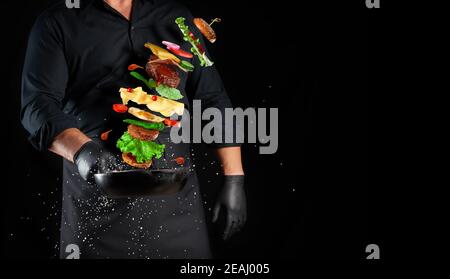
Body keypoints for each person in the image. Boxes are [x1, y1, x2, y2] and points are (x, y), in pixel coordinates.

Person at [21, 0, 246, 259]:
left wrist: (234, 178)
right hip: (96, 200)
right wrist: (82, 152)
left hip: (177, 210)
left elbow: (212, 99)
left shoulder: (176, 16)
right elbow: (37, 105)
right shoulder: (57, 21)